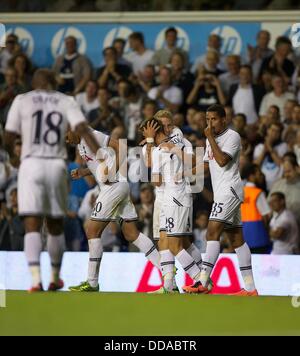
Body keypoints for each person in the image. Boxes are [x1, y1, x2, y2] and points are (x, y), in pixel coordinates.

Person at [4, 68, 102, 293]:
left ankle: (36, 279)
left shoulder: (22, 99)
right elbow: (81, 129)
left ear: (35, 83)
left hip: (30, 164)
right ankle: (56, 277)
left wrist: (13, 157)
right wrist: (99, 155)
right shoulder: (66, 100)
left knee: (32, 224)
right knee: (55, 224)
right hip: (56, 165)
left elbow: (8, 136)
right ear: (53, 82)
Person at [66, 128, 161, 292]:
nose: (66, 141)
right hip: (117, 186)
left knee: (91, 230)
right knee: (131, 234)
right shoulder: (80, 144)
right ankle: (166, 270)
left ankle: (92, 282)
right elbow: (101, 163)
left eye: (66, 136)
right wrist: (84, 172)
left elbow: (122, 148)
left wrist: (112, 172)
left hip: (113, 185)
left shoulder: (91, 135)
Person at [183, 104, 258, 296]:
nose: (209, 123)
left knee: (212, 231)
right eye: (207, 119)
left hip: (229, 191)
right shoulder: (212, 140)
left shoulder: (232, 136)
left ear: (224, 119)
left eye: (213, 119)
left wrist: (209, 137)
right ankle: (250, 288)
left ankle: (203, 281)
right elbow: (207, 166)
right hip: (222, 192)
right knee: (237, 241)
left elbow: (223, 160)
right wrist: (183, 175)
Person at [241, 163, 272, 254]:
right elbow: (266, 215)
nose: (261, 176)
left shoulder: (240, 192)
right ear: (251, 176)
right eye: (259, 174)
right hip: (258, 236)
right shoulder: (257, 193)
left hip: (242, 236)